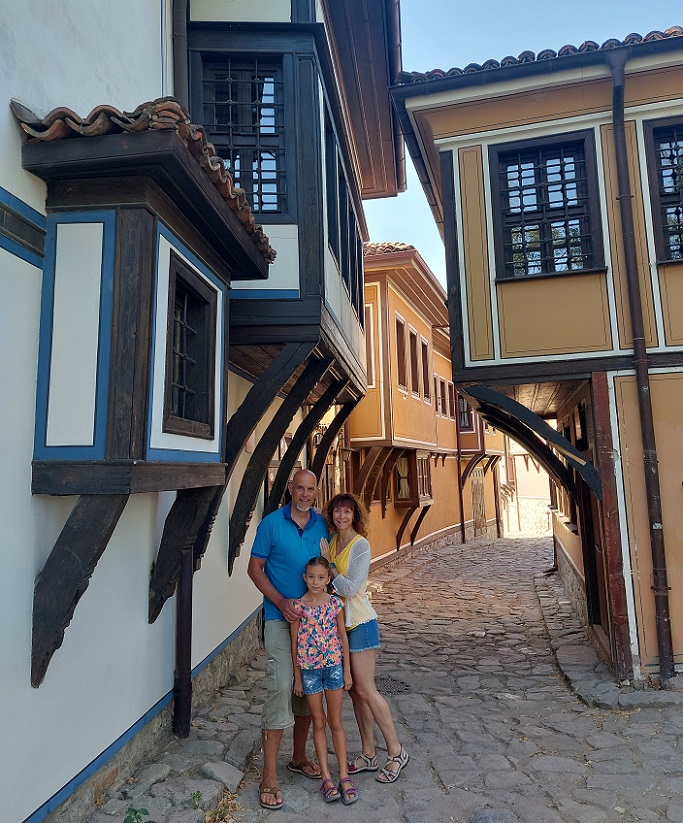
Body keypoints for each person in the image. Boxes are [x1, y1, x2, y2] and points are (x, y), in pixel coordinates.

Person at [247, 469, 328, 810]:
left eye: (311, 489)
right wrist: (280, 601)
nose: (305, 494)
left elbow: (333, 565)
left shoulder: (322, 524)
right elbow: (254, 568)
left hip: (315, 625)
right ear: (291, 490)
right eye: (300, 488)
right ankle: (268, 775)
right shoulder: (270, 524)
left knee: (308, 688)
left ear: (315, 492)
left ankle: (298, 756)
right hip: (281, 619)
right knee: (281, 685)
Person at [320, 492, 410, 784]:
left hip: (360, 623)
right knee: (354, 692)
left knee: (367, 688)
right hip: (338, 627)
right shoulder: (332, 542)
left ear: (355, 515)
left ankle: (396, 751)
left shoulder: (360, 546)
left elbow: (348, 588)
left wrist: (330, 566)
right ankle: (369, 753)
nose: (341, 516)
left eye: (347, 512)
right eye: (337, 512)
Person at [290, 556, 357, 805]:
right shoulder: (298, 607)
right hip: (309, 672)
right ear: (304, 577)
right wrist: (297, 677)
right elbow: (294, 644)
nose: (315, 582)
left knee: (336, 721)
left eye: (320, 577)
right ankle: (326, 777)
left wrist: (347, 670)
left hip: (333, 670)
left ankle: (344, 774)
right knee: (319, 722)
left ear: (328, 579)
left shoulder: (335, 604)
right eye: (311, 577)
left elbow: (343, 637)